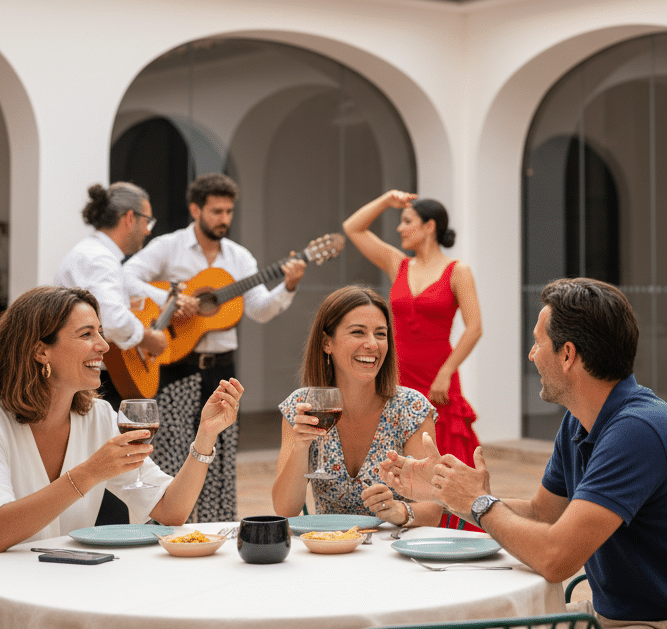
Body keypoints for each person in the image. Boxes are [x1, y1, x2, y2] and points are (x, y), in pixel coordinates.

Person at [383, 278, 667, 629]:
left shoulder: (638, 430)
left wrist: (480, 503)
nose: (531, 355)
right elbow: (543, 514)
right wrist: (449, 493)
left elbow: (555, 559)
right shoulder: (581, 421)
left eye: (538, 343)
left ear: (568, 354)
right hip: (627, 616)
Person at [0, 286, 242, 629]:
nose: (103, 345)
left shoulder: (98, 417)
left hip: (61, 593)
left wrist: (205, 437)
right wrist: (89, 473)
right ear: (41, 350)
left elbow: (171, 510)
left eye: (101, 333)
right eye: (87, 334)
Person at [123, 172, 305, 521]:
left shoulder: (239, 258)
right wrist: (172, 299)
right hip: (177, 365)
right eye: (216, 211)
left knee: (219, 455)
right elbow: (126, 277)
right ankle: (172, 526)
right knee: (174, 453)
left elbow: (260, 309)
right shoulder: (168, 246)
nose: (224, 219)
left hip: (221, 370)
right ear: (195, 209)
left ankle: (215, 528)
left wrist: (289, 287)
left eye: (229, 212)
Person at [271, 285, 445, 529]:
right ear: (326, 343)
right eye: (358, 332)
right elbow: (285, 509)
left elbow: (434, 507)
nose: (372, 344)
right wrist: (301, 446)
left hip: (394, 553)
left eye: (381, 334)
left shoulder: (411, 408)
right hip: (331, 548)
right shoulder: (302, 407)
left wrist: (399, 510)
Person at [342, 189, 482, 465]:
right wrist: (385, 200)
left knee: (443, 453)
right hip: (397, 372)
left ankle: (446, 509)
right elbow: (353, 228)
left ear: (429, 226)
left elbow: (474, 327)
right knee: (398, 449)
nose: (399, 228)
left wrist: (446, 373)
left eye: (407, 221)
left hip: (437, 376)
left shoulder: (458, 271)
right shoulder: (399, 265)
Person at [53, 182, 167, 409]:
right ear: (130, 218)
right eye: (148, 221)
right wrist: (147, 338)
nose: (148, 231)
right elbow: (111, 319)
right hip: (96, 382)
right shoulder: (100, 259)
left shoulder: (96, 254)